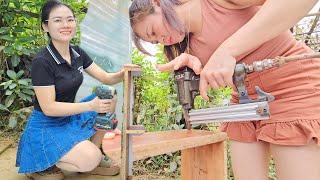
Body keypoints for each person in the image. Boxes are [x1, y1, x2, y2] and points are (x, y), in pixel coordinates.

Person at [129, 0, 320, 179]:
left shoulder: (215, 3)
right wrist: (196, 65)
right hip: (245, 103)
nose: (162, 40)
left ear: (157, 3)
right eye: (155, 42)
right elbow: (224, 68)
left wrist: (227, 50)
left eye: (153, 31)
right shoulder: (189, 44)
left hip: (292, 85)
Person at [16, 0, 124, 179]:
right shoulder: (42, 61)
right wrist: (91, 106)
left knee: (108, 95)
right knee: (87, 159)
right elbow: (49, 108)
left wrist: (125, 72)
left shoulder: (77, 53)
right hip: (46, 125)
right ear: (45, 26)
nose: (66, 25)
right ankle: (40, 163)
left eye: (70, 19)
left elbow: (106, 78)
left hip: (68, 117)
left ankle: (96, 152)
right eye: (58, 20)